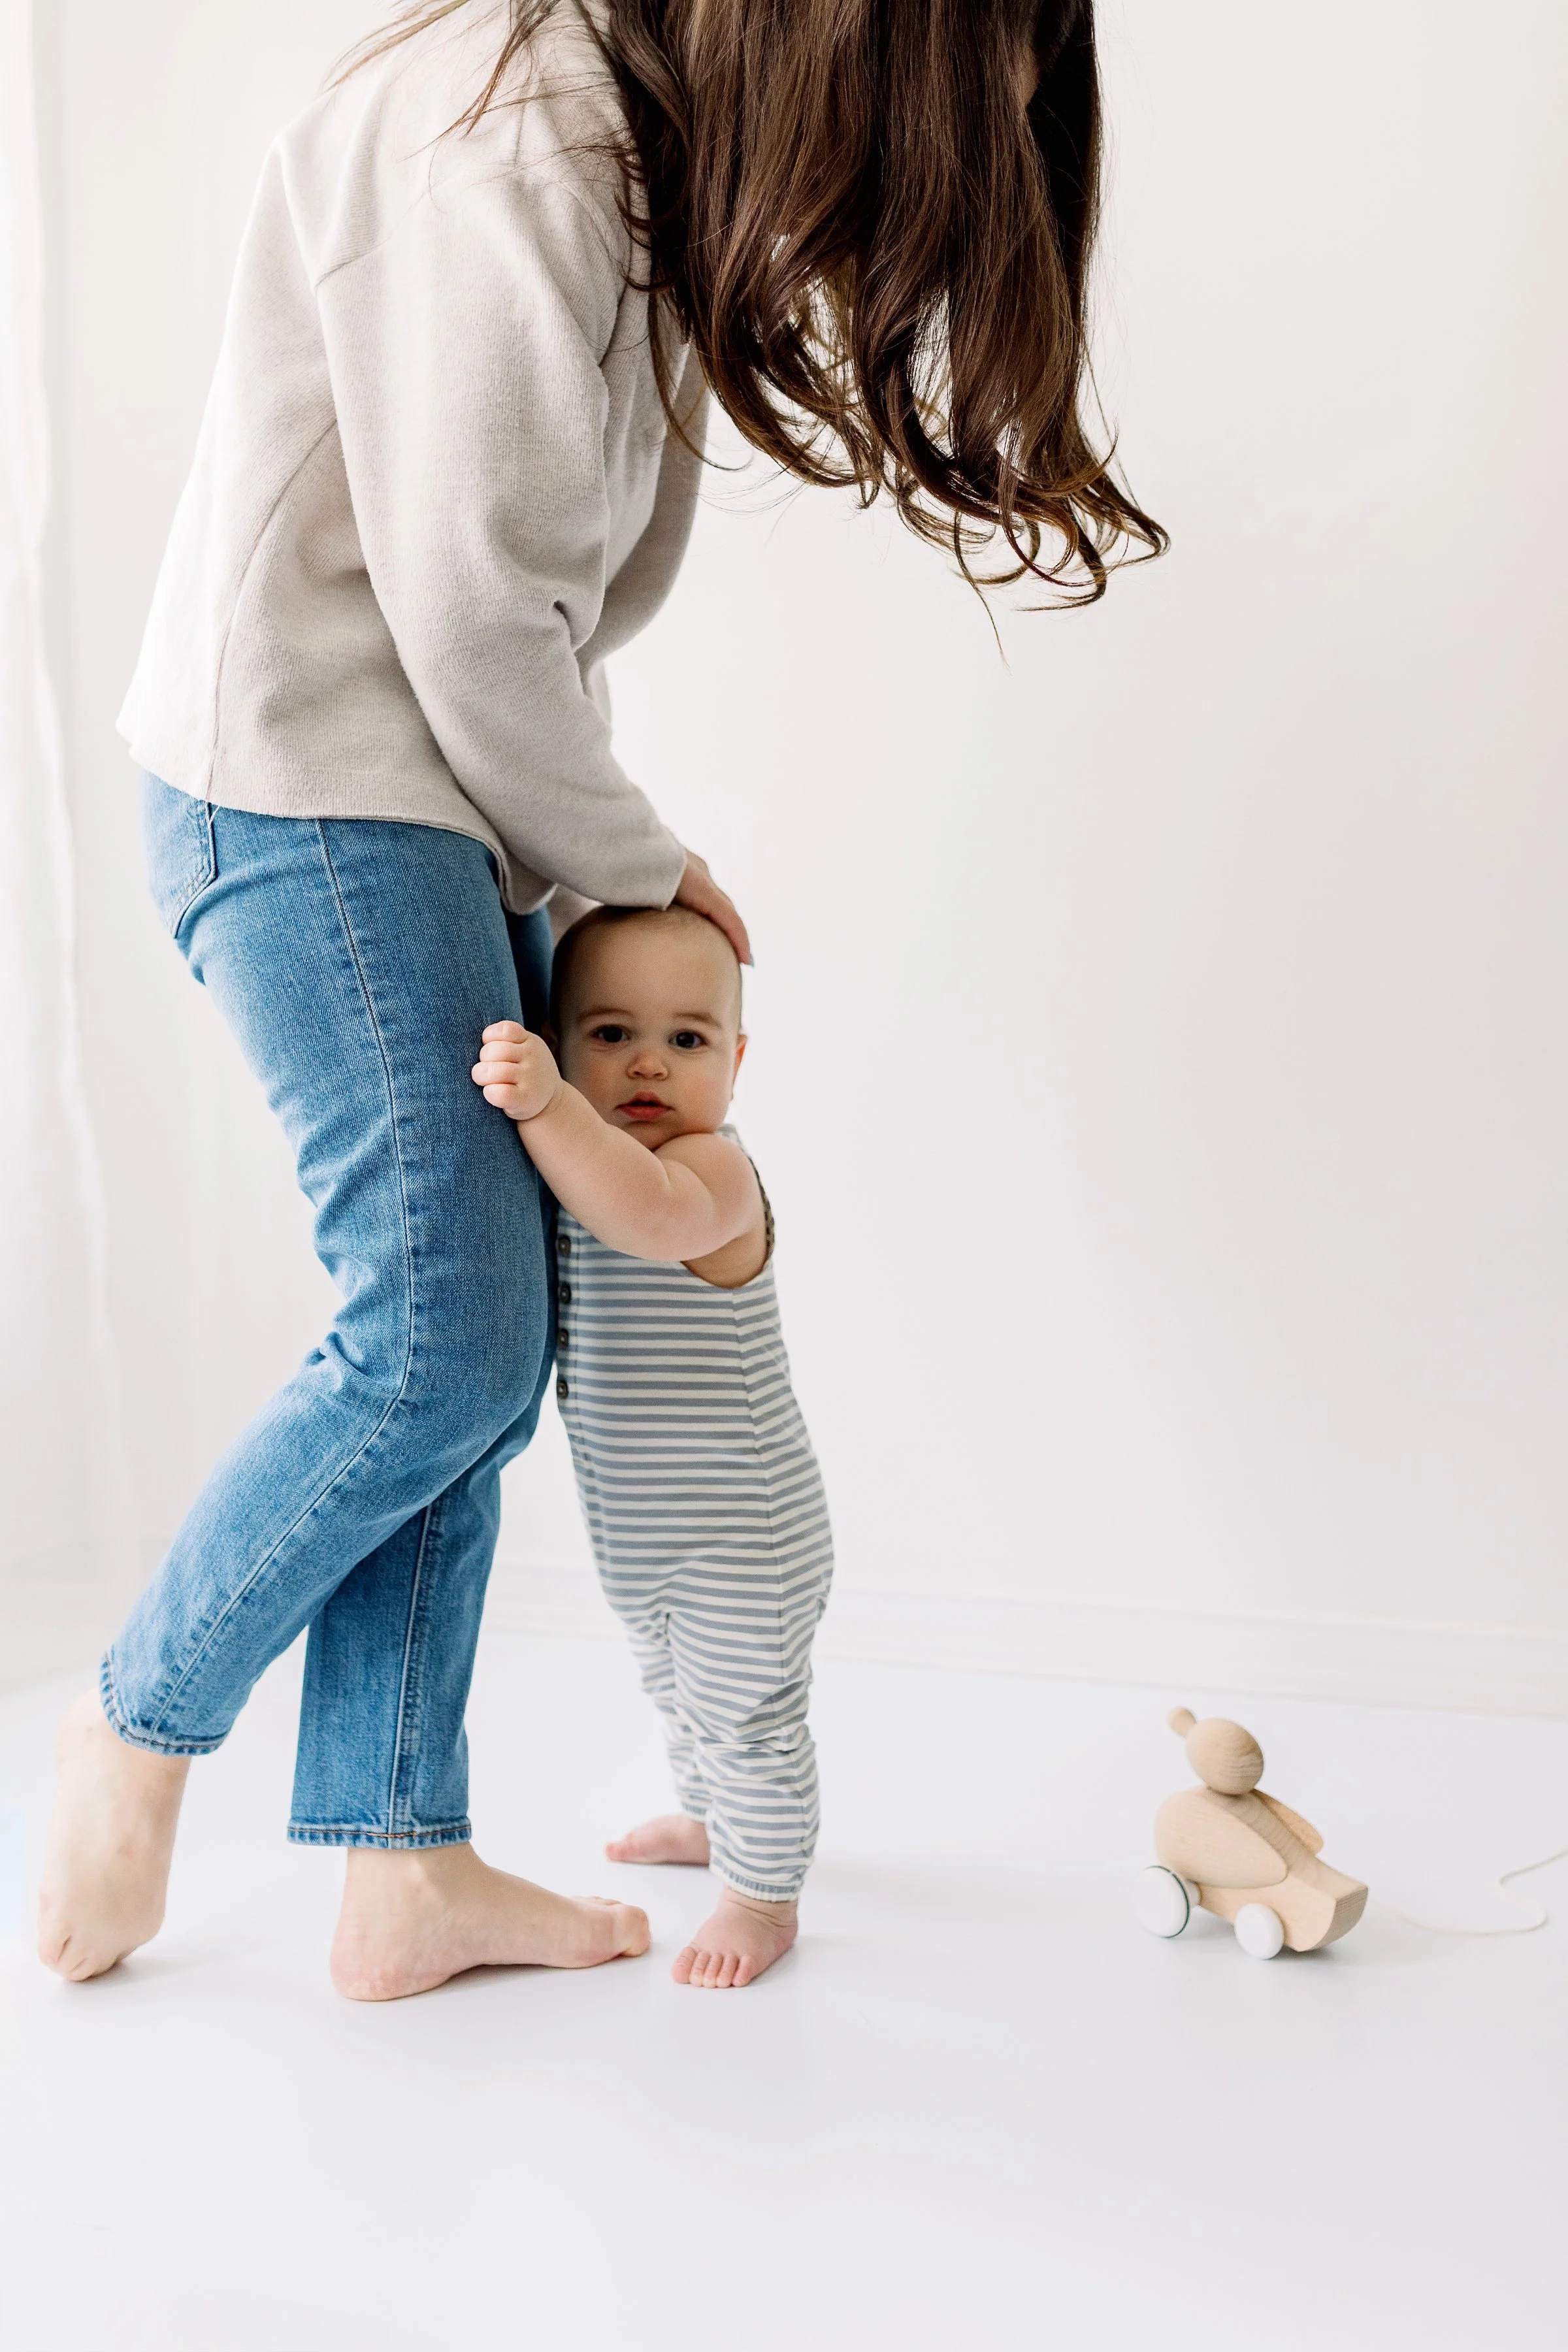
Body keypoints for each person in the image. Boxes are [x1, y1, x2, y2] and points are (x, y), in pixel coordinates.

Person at [39, 0, 1163, 1999]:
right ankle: (141, 1725)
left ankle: (403, 1869)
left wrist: (590, 851)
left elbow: (498, 604)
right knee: (441, 1348)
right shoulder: (531, 136)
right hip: (312, 787)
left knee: (469, 1334)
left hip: (395, 795)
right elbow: (474, 606)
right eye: (955, 91)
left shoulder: (603, 118)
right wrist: (630, 861)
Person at [473, 904, 832, 1988]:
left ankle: (764, 1897)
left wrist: (545, 1105)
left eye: (687, 1040)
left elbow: (648, 1219)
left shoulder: (711, 1176)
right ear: (563, 1031)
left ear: (736, 1059)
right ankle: (710, 1816)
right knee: (678, 1690)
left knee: (746, 1712)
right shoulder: (598, 1168)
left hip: (743, 1533)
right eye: (609, 1034)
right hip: (644, 1528)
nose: (648, 1066)